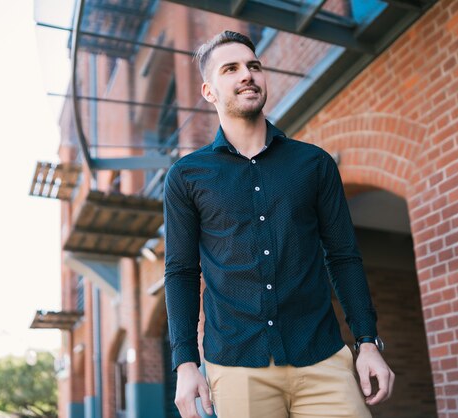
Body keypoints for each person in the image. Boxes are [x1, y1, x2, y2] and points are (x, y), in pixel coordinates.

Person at [163, 30, 394, 418]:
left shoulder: (314, 164)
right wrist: (186, 362)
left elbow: (343, 257)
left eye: (254, 66)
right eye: (231, 69)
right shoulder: (187, 177)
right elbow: (181, 272)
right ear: (209, 91)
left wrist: (367, 342)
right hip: (237, 368)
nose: (247, 75)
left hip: (322, 359)